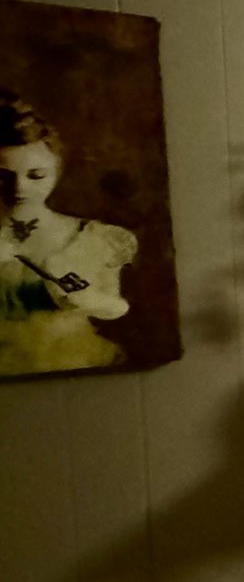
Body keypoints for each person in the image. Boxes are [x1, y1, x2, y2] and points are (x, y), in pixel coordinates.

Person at [0, 91, 136, 376]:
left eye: (36, 175)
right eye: (2, 177)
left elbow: (116, 307)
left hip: (72, 361)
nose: (19, 188)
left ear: (56, 169)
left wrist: (85, 298)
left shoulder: (92, 236)